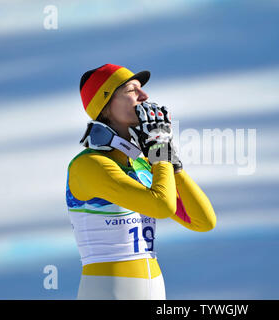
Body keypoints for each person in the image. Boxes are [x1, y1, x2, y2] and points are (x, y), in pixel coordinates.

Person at [65, 63, 217, 300]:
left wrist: (171, 163)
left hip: (154, 290)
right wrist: (160, 149)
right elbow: (162, 206)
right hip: (107, 291)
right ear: (105, 105)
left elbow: (203, 221)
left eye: (142, 89)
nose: (144, 96)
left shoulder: (141, 163)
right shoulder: (88, 165)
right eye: (131, 90)